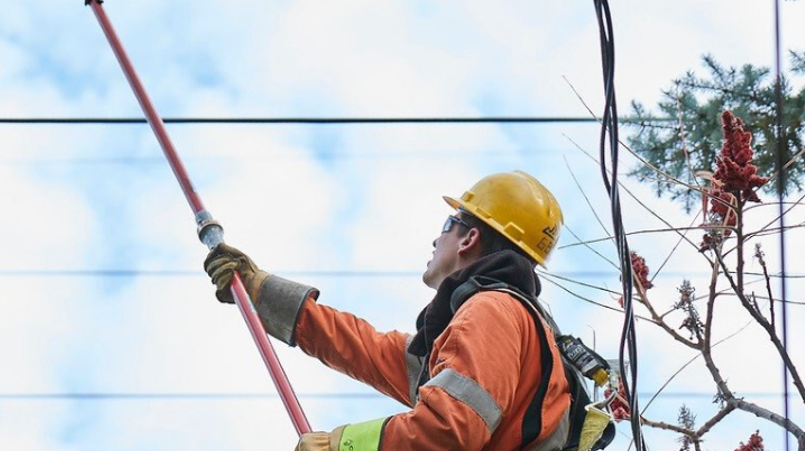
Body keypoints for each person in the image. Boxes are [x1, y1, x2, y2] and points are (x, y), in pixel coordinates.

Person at [205, 171, 571, 451]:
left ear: (470, 238)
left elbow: (452, 425)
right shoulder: (499, 328)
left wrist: (343, 443)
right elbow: (362, 346)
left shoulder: (491, 311)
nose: (435, 239)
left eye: (449, 225)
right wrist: (261, 291)